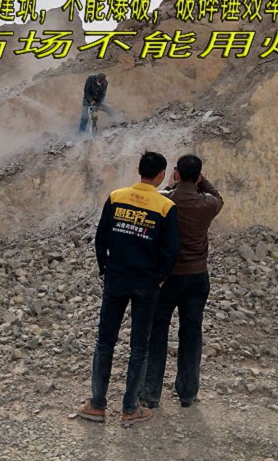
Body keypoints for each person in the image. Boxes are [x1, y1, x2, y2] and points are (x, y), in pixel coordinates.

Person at [77, 151, 181, 424]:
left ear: (138, 170)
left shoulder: (116, 197)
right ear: (161, 175)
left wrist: (104, 268)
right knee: (139, 347)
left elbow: (101, 238)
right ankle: (130, 409)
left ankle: (97, 405)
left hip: (117, 279)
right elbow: (171, 250)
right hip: (146, 283)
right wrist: (161, 276)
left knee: (105, 342)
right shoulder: (165, 207)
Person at [140, 154, 223, 409]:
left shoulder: (164, 200)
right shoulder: (208, 204)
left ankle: (151, 393)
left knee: (157, 332)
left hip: (167, 278)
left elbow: (160, 198)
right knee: (191, 332)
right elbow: (217, 195)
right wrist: (199, 180)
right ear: (198, 176)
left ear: (175, 174)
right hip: (197, 277)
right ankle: (187, 393)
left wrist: (175, 185)